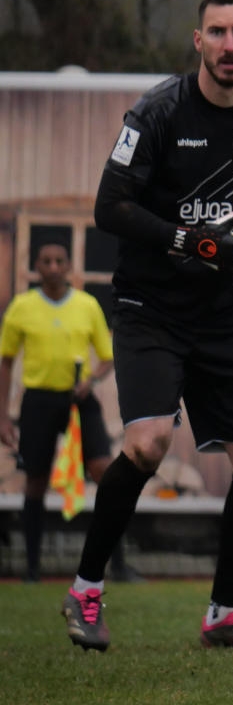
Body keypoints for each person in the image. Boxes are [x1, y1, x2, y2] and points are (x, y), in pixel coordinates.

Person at [62, 0, 233, 652]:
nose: (230, 45)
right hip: (148, 308)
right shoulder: (158, 111)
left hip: (219, 313)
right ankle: (85, 589)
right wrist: (192, 241)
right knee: (148, 443)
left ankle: (223, 615)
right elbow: (110, 207)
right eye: (217, 32)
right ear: (198, 41)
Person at [0, 242, 136, 583]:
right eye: (46, 261)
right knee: (35, 480)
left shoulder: (86, 305)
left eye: (59, 261)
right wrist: (2, 416)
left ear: (69, 266)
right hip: (38, 401)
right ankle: (32, 570)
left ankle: (118, 565)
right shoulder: (22, 307)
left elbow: (106, 358)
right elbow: (6, 361)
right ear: (36, 266)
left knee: (105, 473)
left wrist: (91, 380)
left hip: (79, 400)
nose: (53, 267)